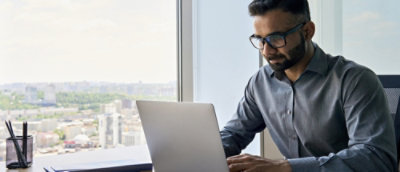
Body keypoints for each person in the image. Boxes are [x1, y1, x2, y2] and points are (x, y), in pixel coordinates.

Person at [220, 0, 397, 171]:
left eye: (276, 38)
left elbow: (375, 158)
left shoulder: (355, 80)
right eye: (260, 40)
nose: (267, 51)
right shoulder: (261, 82)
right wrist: (203, 152)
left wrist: (285, 167)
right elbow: (234, 134)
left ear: (307, 31)